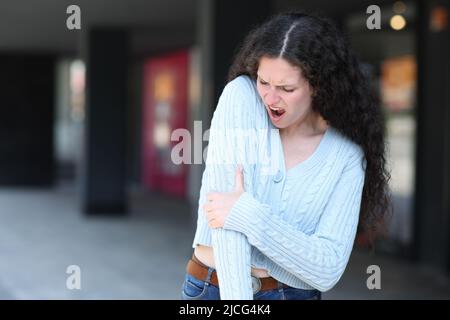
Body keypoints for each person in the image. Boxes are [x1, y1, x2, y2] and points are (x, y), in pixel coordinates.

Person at [181, 12, 390, 300]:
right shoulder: (241, 97)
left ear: (318, 86)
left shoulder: (346, 156)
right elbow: (223, 226)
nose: (269, 98)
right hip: (217, 289)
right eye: (264, 82)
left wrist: (248, 215)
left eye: (286, 89)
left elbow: (327, 269)